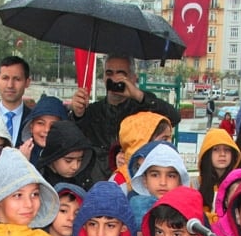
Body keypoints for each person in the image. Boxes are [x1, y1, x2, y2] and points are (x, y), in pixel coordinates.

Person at [71, 53, 179, 183]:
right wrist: (77, 114)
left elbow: (174, 117)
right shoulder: (91, 111)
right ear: (104, 77)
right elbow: (72, 139)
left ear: (133, 78)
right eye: (109, 73)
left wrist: (139, 95)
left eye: (121, 74)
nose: (115, 79)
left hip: (132, 184)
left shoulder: (143, 108)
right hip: (96, 185)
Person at [113, 112, 174, 190]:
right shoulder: (121, 179)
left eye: (170, 138)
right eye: (164, 139)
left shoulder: (176, 169)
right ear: (143, 143)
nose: (170, 143)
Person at [194, 128, 241, 221]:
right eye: (216, 149)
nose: (222, 154)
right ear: (207, 153)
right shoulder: (196, 184)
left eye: (227, 150)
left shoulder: (237, 185)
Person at [37, 120, 95, 191]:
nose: (75, 167)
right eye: (68, 161)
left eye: (80, 160)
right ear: (53, 157)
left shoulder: (84, 182)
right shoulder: (37, 184)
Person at [0, 56, 32, 148]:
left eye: (17, 79)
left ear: (27, 82)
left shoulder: (35, 121)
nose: (10, 85)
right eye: (5, 78)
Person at [19, 94, 68, 165]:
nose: (47, 130)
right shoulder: (19, 154)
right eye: (40, 123)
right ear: (31, 126)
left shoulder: (71, 156)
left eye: (53, 125)